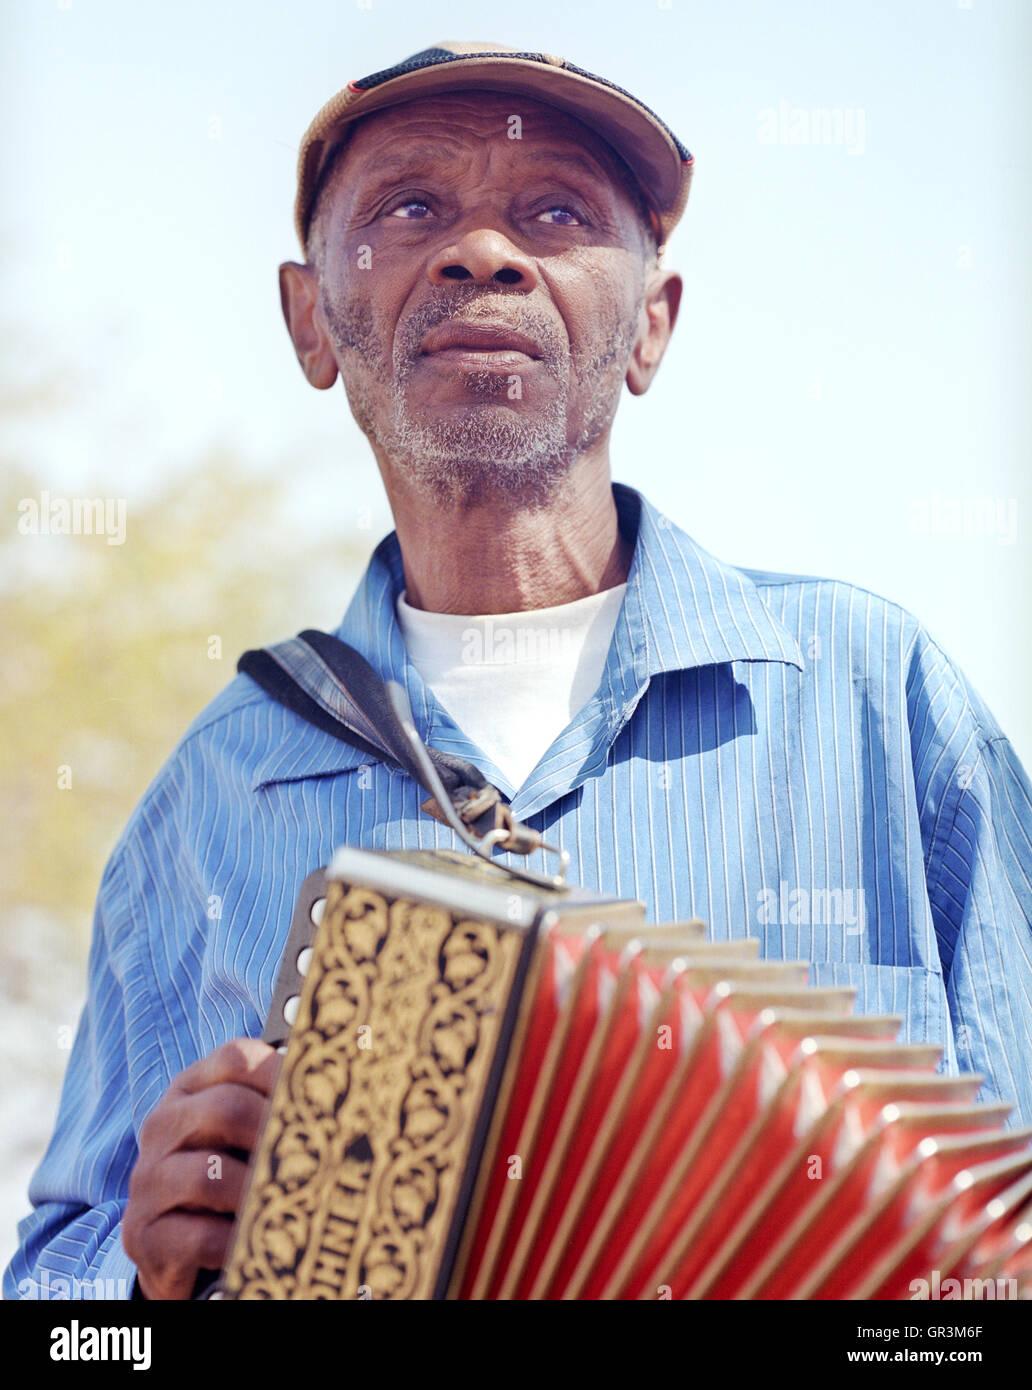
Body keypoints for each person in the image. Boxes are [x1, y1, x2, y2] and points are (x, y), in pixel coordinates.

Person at [7, 40, 1032, 1303]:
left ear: (652, 324)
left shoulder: (880, 701)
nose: (482, 252)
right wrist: (133, 1272)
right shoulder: (211, 798)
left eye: (556, 212)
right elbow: (51, 1306)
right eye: (410, 208)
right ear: (310, 319)